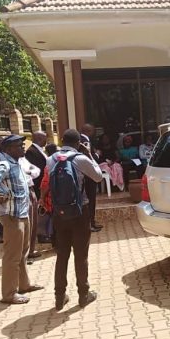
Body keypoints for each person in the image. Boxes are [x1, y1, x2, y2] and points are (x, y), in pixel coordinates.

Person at [40, 129, 103, 311]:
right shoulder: (81, 159)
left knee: (62, 255)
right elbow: (98, 177)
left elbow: (46, 184)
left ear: (61, 140)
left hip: (59, 213)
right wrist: (89, 154)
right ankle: (83, 294)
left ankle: (59, 297)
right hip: (80, 211)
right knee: (81, 255)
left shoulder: (51, 159)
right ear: (78, 143)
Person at [0, 135, 43, 304]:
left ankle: (24, 285)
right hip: (12, 216)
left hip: (22, 214)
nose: (23, 147)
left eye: (22, 144)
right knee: (12, 256)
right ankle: (9, 294)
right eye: (19, 145)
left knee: (23, 252)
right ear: (9, 149)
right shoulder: (5, 165)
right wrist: (5, 194)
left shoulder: (17, 164)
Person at [81, 123, 103, 233]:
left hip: (86, 175)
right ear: (88, 131)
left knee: (90, 200)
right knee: (90, 200)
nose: (94, 133)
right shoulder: (85, 141)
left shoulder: (82, 140)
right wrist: (97, 154)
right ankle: (90, 223)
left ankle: (91, 222)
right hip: (88, 176)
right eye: (93, 131)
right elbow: (88, 158)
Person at [19, 155, 41, 263]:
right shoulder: (7, 162)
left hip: (30, 190)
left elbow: (37, 170)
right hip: (22, 192)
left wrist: (30, 172)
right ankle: (24, 255)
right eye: (19, 146)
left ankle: (30, 251)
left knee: (33, 223)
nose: (23, 148)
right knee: (25, 224)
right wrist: (29, 172)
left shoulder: (23, 159)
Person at [25, 131, 48, 199]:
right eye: (45, 138)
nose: (46, 141)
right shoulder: (31, 151)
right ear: (40, 138)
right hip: (38, 186)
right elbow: (33, 170)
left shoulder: (40, 150)